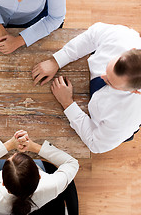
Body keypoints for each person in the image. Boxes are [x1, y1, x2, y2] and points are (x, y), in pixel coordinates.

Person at [32, 22, 141, 153]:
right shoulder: (123, 36)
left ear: (135, 91)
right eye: (108, 68)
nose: (102, 76)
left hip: (112, 128)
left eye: (111, 83)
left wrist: (67, 103)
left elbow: (95, 144)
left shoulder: (124, 118)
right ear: (132, 50)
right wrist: (57, 60)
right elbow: (92, 36)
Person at [0, 130, 79, 215]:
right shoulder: (52, 186)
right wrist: (34, 147)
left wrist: (9, 145)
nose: (14, 153)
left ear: (2, 183)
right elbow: (72, 163)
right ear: (39, 176)